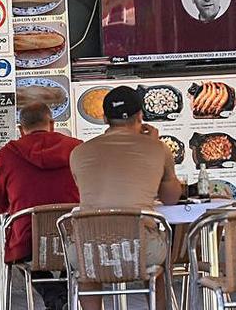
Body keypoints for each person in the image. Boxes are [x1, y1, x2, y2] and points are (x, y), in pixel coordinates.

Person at [69, 86, 181, 310]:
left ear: (104, 118)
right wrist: (154, 144)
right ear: (140, 115)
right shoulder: (158, 148)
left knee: (87, 268)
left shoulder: (79, 152)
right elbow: (171, 198)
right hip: (140, 249)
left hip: (87, 248)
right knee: (159, 267)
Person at [0, 103, 82, 310]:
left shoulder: (7, 154)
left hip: (29, 240)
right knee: (75, 256)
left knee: (23, 253)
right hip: (72, 235)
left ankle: (56, 298)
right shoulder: (77, 148)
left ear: (21, 130)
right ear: (52, 124)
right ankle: (64, 296)